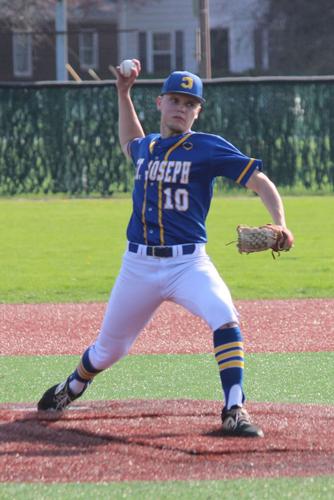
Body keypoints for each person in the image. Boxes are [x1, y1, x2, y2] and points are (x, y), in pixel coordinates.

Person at [38, 61, 294, 437]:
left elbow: (259, 181)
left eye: (190, 103)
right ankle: (73, 386)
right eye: (175, 99)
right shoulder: (149, 148)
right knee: (109, 350)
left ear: (198, 111)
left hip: (189, 263)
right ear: (159, 103)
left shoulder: (207, 147)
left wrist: (281, 221)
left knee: (225, 317)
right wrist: (123, 93)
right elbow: (130, 143)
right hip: (138, 266)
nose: (181, 108)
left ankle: (234, 407)